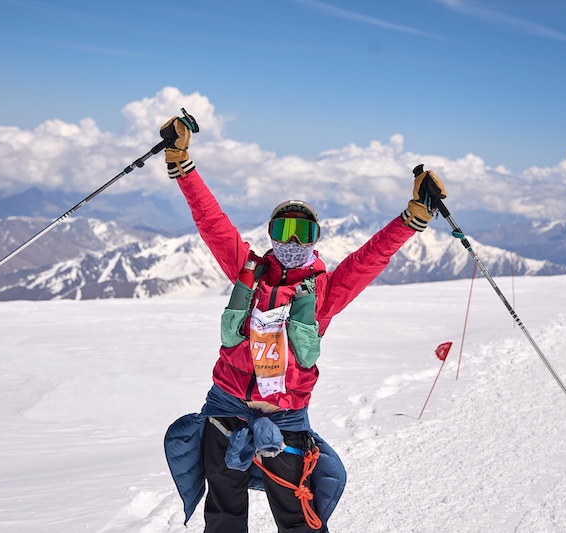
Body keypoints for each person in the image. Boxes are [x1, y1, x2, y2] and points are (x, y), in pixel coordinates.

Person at [159, 115, 447, 532]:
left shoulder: (323, 292)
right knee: (223, 516)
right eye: (284, 230)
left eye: (303, 232)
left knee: (297, 517)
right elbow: (212, 223)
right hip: (225, 413)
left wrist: (411, 217)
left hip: (284, 424)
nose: (292, 241)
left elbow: (369, 258)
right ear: (272, 234)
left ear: (315, 238)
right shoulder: (249, 272)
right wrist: (182, 164)